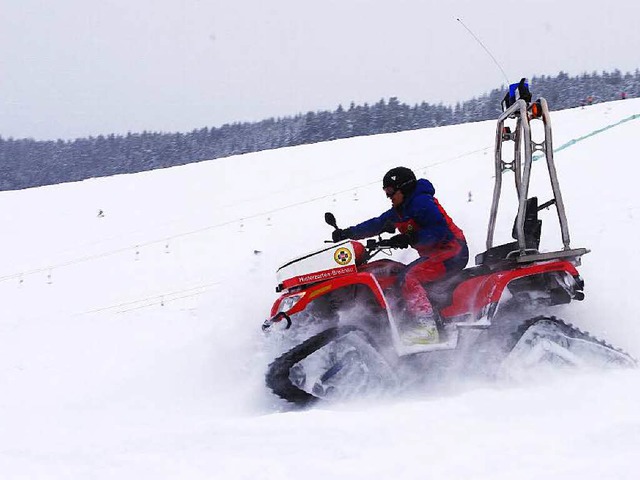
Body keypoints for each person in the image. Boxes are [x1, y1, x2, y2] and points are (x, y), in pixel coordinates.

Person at [332, 167, 468, 345]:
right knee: (393, 275)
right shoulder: (400, 210)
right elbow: (377, 224)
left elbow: (440, 231)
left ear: (404, 187)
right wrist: (348, 233)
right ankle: (408, 321)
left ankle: (428, 329)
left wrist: (411, 237)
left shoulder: (421, 202)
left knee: (409, 277)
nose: (389, 196)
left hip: (452, 251)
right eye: (385, 192)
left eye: (391, 191)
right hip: (435, 256)